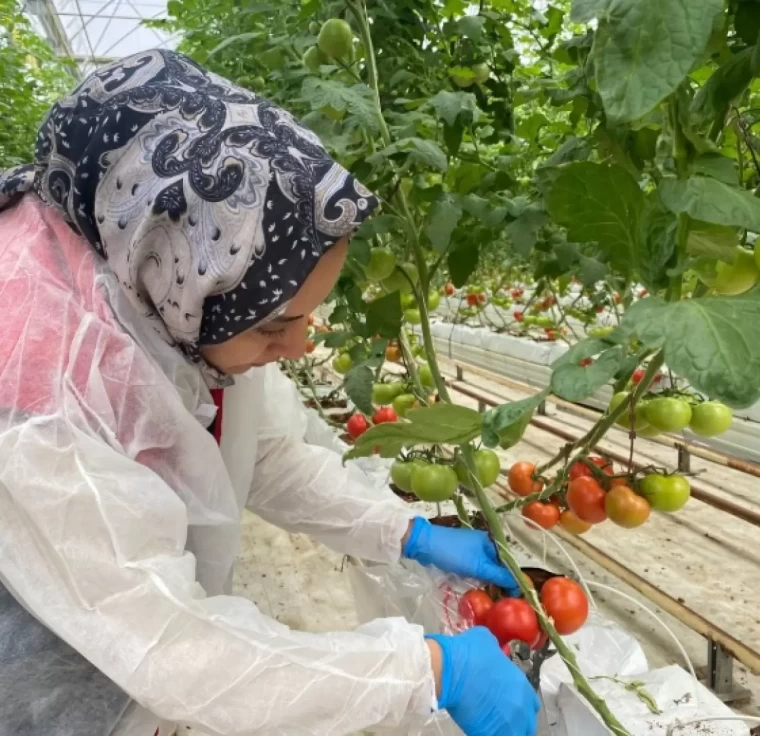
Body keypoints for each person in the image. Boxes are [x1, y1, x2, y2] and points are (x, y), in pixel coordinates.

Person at [0, 50, 539, 736]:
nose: (301, 345)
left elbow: (268, 453)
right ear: (182, 275)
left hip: (141, 682)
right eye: (278, 325)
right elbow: (169, 645)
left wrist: (405, 531)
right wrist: (426, 672)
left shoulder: (177, 298)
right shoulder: (34, 390)